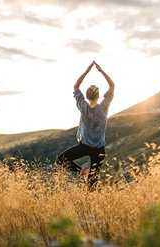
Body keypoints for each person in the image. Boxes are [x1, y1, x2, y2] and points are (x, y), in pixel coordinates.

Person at [55, 60, 115, 190]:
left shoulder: (83, 107)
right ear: (99, 96)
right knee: (92, 185)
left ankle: (82, 171)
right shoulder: (104, 107)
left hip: (85, 146)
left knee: (60, 160)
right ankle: (91, 205)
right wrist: (101, 70)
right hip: (99, 150)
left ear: (87, 97)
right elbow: (112, 85)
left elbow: (76, 86)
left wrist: (87, 71)